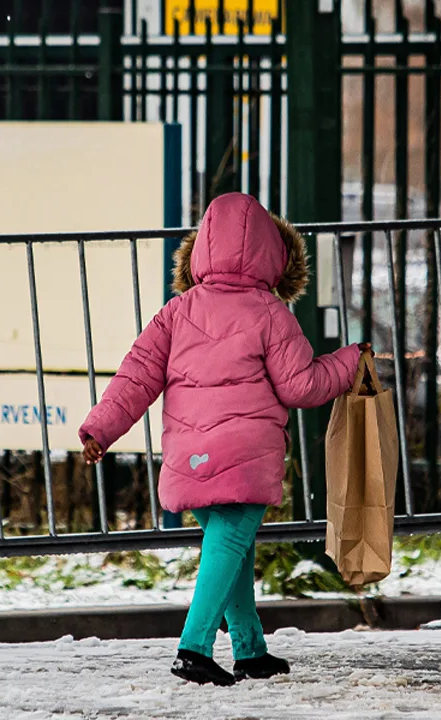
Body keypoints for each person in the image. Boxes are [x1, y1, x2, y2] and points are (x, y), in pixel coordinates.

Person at [78, 192, 369, 686]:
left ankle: (251, 649)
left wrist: (100, 428)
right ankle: (193, 646)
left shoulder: (177, 311)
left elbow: (136, 377)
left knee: (233, 546)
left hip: (189, 455)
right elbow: (301, 386)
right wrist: (350, 361)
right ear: (272, 253)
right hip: (245, 454)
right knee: (231, 541)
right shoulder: (271, 312)